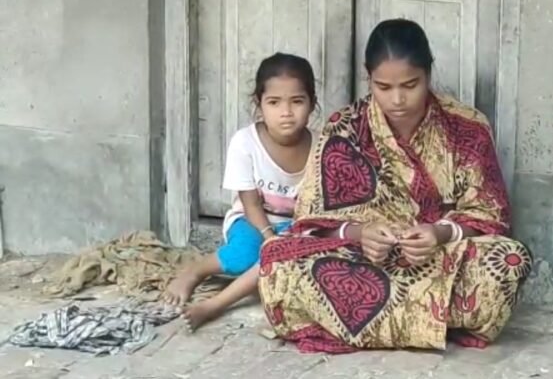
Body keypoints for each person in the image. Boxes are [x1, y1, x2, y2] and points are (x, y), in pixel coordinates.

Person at [256, 19, 533, 352]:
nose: (398, 99)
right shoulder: (345, 127)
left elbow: (489, 215)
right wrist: (362, 233)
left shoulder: (467, 126)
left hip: (439, 256)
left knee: (509, 260)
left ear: (428, 73)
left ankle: (373, 324)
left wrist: (439, 233)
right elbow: (313, 221)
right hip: (365, 259)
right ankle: (432, 321)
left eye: (410, 85)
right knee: (277, 260)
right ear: (368, 77)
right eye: (384, 87)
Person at [163, 53, 316, 328]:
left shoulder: (321, 147)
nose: (286, 112)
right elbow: (250, 203)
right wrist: (268, 236)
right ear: (259, 104)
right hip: (251, 220)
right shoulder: (245, 143)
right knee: (244, 256)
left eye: (297, 101)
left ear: (312, 103)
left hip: (296, 227)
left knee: (288, 258)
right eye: (274, 102)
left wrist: (285, 240)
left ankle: (216, 303)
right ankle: (196, 271)